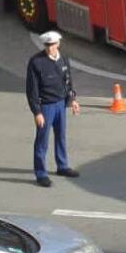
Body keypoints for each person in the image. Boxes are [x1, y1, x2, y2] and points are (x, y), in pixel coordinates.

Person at [25, 30, 80, 187]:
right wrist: (37, 112)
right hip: (46, 106)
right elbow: (32, 90)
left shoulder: (63, 59)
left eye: (53, 44)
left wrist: (72, 100)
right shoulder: (36, 62)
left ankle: (62, 166)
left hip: (60, 104)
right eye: (47, 45)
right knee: (42, 140)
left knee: (61, 136)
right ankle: (41, 173)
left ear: (58, 44)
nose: (50, 48)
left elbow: (67, 81)